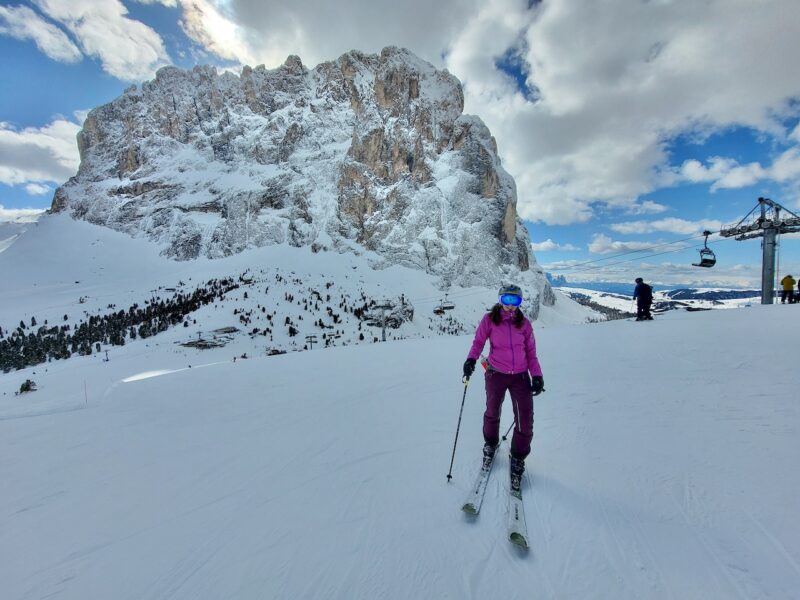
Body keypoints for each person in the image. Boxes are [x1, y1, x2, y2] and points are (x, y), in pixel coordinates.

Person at [462, 284, 544, 492]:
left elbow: (531, 353)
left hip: (520, 376)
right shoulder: (489, 319)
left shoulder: (524, 324)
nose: (510, 306)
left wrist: (537, 375)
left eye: (515, 301)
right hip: (495, 373)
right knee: (492, 411)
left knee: (525, 418)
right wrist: (471, 359)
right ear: (500, 300)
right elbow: (478, 342)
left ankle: (518, 457)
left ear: (519, 303)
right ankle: (490, 444)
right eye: (506, 300)